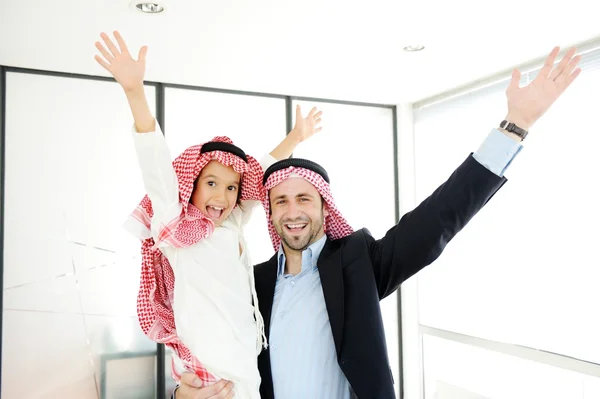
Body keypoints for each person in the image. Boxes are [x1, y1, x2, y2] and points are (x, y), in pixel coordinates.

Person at [175, 45, 581, 399]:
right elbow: (209, 347)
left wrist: (514, 127)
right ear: (269, 211)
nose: (292, 211)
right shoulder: (253, 282)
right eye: (280, 201)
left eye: (304, 199)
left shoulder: (357, 263)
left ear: (323, 206)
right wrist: (181, 392)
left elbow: (438, 219)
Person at [93, 31, 323, 399]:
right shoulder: (176, 228)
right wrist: (135, 92)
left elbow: (261, 169)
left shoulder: (233, 223)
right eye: (211, 183)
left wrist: (294, 138)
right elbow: (155, 165)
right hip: (211, 370)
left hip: (246, 361)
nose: (222, 195)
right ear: (191, 185)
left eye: (231, 187)